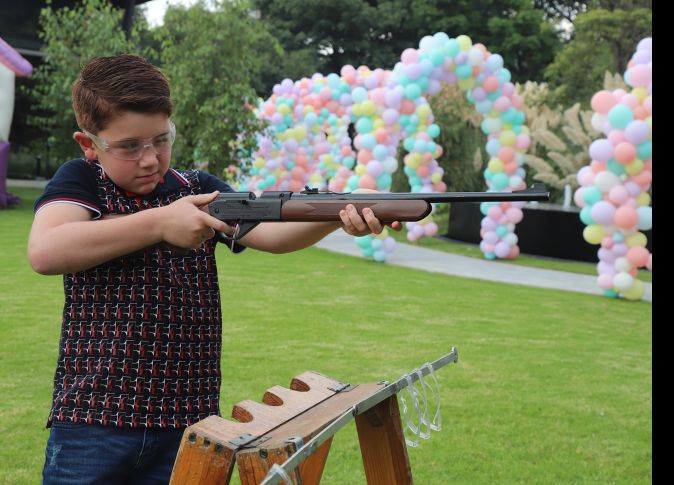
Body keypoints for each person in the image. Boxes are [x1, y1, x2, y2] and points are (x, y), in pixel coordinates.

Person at [27, 54, 399, 484]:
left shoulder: (198, 189)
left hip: (190, 423)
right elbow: (46, 250)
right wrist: (163, 221)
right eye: (129, 146)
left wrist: (341, 211)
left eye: (161, 140)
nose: (150, 158)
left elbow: (273, 237)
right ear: (88, 144)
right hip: (93, 416)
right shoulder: (82, 180)